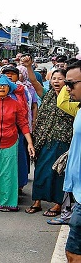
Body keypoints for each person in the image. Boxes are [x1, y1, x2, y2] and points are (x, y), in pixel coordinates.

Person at [0, 74, 35, 212]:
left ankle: (7, 202)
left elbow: (23, 123)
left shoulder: (15, 103)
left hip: (11, 142)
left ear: (9, 88)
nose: (2, 88)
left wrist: (30, 143)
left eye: (4, 85)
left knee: (8, 173)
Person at [27, 69, 73, 216]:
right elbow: (34, 82)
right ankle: (37, 201)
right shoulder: (47, 95)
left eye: (60, 78)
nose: (56, 81)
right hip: (43, 139)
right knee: (40, 170)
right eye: (54, 78)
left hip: (62, 140)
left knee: (58, 172)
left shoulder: (72, 98)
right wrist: (28, 66)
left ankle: (58, 203)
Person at [60, 61, 81, 261]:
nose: (67, 88)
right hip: (77, 192)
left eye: (71, 84)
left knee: (73, 254)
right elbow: (62, 101)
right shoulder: (79, 109)